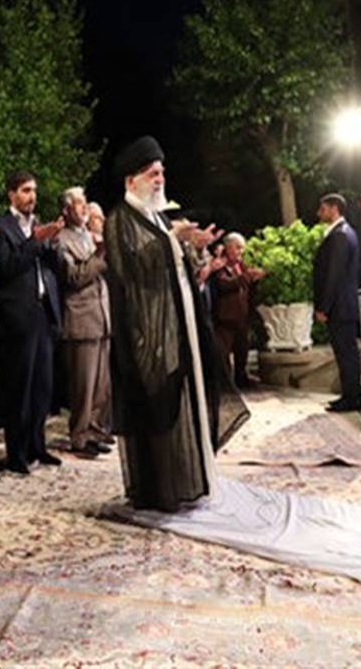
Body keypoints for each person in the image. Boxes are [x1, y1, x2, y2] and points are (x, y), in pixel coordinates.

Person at [104, 136, 247, 512]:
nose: (160, 179)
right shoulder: (119, 219)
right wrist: (171, 239)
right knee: (157, 407)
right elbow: (131, 270)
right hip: (148, 335)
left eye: (161, 172)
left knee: (186, 400)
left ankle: (188, 480)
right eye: (153, 174)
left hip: (179, 325)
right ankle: (160, 490)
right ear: (131, 180)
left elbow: (176, 267)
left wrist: (194, 246)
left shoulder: (158, 216)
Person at [0, 170, 65, 475]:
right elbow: (5, 268)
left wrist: (53, 244)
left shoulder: (38, 224)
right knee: (19, 387)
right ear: (12, 194)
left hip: (43, 311)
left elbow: (52, 268)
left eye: (33, 190)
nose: (31, 196)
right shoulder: (2, 227)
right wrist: (34, 241)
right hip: (18, 315)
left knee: (42, 386)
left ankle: (37, 445)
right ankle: (17, 453)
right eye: (25, 190)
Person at [56, 186, 113, 458]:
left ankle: (95, 430)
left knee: (101, 384)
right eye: (79, 203)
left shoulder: (89, 236)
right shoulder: (61, 239)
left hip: (101, 315)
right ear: (66, 210)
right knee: (84, 384)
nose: (84, 208)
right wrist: (100, 256)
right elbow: (74, 276)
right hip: (80, 317)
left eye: (85, 202)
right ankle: (79, 435)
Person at [313, 193, 361, 412]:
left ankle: (352, 398)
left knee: (346, 354)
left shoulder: (341, 235)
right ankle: (351, 395)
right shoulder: (344, 233)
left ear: (334, 208)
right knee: (346, 353)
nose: (319, 213)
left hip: (340, 306)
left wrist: (323, 307)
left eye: (323, 208)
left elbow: (334, 274)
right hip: (343, 305)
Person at [211, 233, 265, 388]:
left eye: (242, 248)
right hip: (225, 317)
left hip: (242, 316)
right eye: (237, 248)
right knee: (223, 353)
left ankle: (241, 378)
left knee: (242, 350)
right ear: (227, 248)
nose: (240, 252)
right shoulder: (220, 266)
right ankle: (225, 383)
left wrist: (255, 279)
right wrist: (247, 276)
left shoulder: (242, 265)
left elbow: (247, 285)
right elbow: (224, 285)